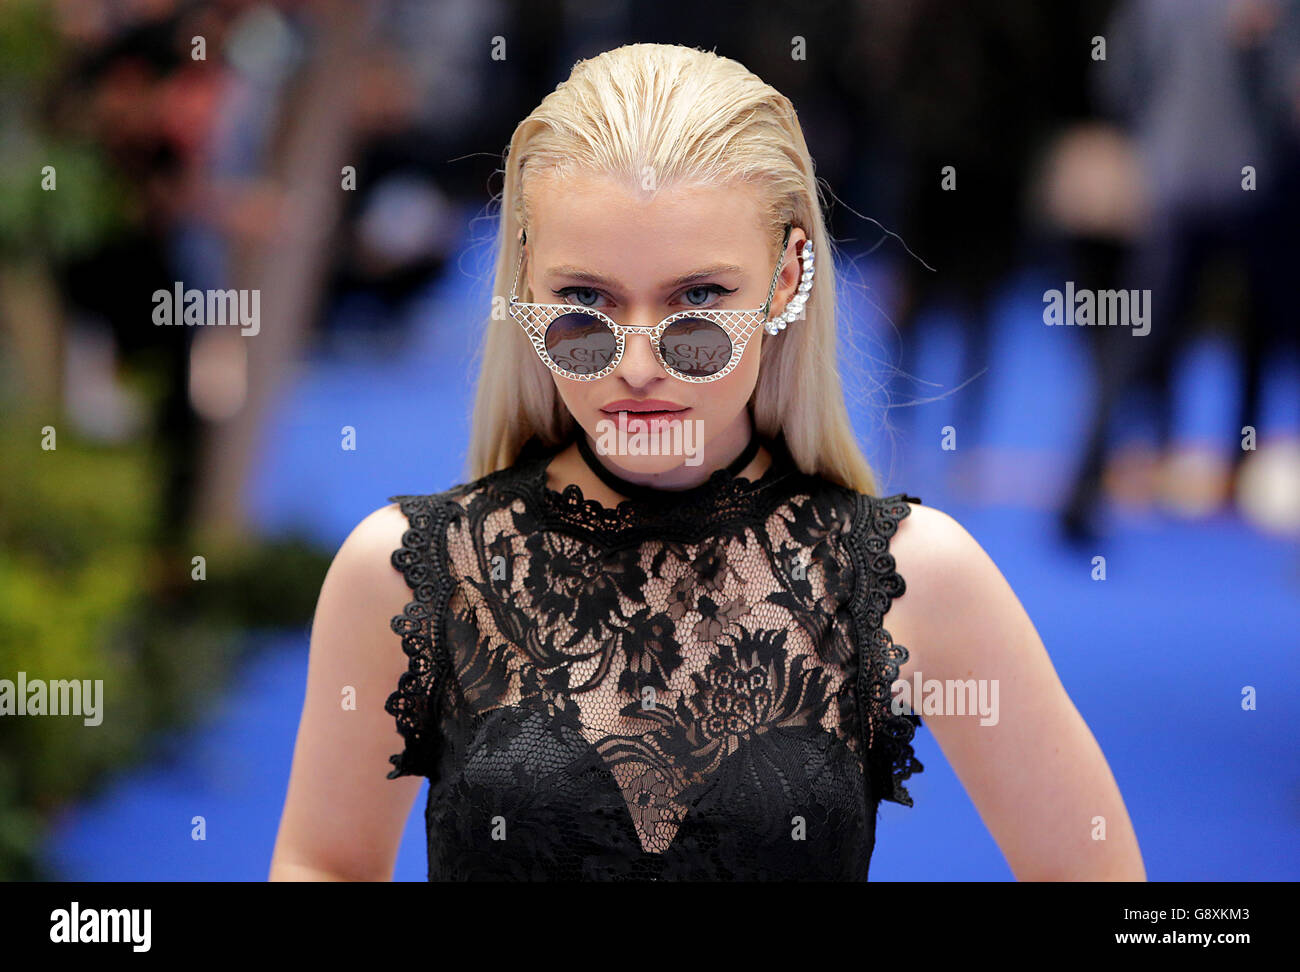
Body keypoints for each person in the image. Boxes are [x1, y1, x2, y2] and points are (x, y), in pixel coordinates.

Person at [269, 43, 1144, 881]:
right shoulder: (408, 574)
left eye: (698, 301)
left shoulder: (911, 575)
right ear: (522, 283)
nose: (639, 365)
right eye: (586, 302)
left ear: (789, 278)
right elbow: (324, 864)